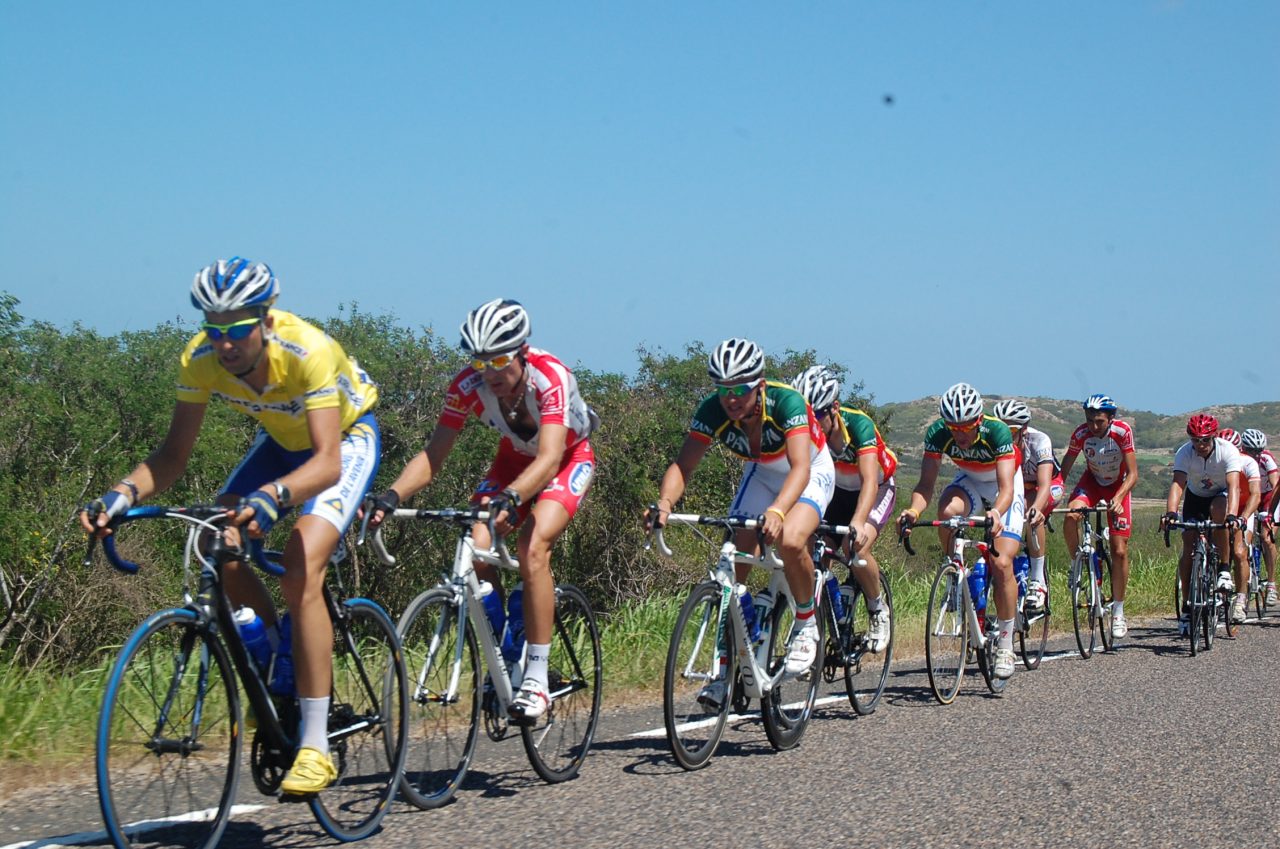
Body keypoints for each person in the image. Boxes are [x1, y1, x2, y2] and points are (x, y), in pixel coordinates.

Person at [80, 258, 381, 795]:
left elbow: (328, 463)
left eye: (237, 328)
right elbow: (171, 457)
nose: (224, 342)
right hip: (282, 445)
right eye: (213, 328)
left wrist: (273, 497)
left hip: (344, 441)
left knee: (300, 563)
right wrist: (120, 495)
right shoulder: (198, 360)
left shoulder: (306, 350)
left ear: (265, 320)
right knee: (215, 534)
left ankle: (314, 745)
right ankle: (275, 652)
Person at [365, 299, 598, 721]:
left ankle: (537, 679)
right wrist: (391, 496)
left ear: (522, 351)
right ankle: (503, 653)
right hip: (512, 460)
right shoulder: (467, 386)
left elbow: (548, 458)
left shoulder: (550, 377)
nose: (490, 373)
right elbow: (434, 455)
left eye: (501, 360)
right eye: (480, 362)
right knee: (477, 542)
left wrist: (511, 497)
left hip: (566, 458)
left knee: (533, 547)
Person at [648, 339, 834, 710]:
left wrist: (779, 511)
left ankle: (805, 622)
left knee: (792, 540)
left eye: (740, 389)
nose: (731, 398)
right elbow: (683, 466)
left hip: (809, 470)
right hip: (762, 473)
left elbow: (799, 468)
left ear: (759, 385)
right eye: (723, 389)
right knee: (732, 566)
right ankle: (725, 670)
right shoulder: (712, 411)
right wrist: (664, 504)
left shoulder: (786, 403)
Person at [896, 383, 1024, 679]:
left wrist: (996, 512)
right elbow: (925, 485)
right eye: (953, 428)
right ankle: (954, 570)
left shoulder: (998, 432)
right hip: (969, 480)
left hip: (1004, 487)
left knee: (1001, 562)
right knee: (948, 511)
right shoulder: (938, 434)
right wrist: (914, 510)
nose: (959, 435)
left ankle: (1005, 643)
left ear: (978, 421)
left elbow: (1006, 489)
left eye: (966, 428)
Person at [792, 365, 894, 652]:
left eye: (818, 414)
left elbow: (870, 480)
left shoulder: (858, 424)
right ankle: (832, 613)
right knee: (813, 550)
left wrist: (859, 522)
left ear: (834, 408)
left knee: (854, 549)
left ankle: (877, 608)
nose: (812, 421)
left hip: (873, 490)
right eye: (806, 414)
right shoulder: (803, 430)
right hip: (835, 491)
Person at [1058, 394, 1139, 640]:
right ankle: (1078, 563)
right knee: (1071, 516)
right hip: (1092, 483)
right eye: (1090, 420)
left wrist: (1119, 497)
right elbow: (1065, 469)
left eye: (1099, 421)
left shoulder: (1122, 432)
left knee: (1119, 550)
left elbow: (1134, 473)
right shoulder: (1081, 434)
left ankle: (1118, 611)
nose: (1094, 426)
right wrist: (1054, 492)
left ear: (1111, 419)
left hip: (1118, 486)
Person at [1160, 414, 1247, 634]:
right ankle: (1188, 605)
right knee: (1188, 543)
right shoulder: (1184, 453)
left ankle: (1224, 569)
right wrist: (1170, 512)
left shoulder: (1228, 451)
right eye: (1195, 440)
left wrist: (1232, 515)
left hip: (1221, 494)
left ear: (1214, 437)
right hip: (1195, 496)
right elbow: (1178, 485)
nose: (1200, 445)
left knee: (1219, 513)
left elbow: (1234, 486)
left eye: (1205, 440)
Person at [991, 399, 1065, 615]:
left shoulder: (1039, 440)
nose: (1005, 433)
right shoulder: (996, 442)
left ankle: (1038, 580)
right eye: (1001, 427)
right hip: (1020, 487)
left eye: (1011, 429)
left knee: (1032, 513)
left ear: (1023, 429)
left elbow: (1044, 485)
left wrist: (1036, 508)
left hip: (1049, 484)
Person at [1219, 428, 1262, 621]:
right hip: (1222, 508)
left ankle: (1241, 600)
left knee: (1239, 552)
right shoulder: (1216, 463)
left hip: (1244, 509)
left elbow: (1255, 495)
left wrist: (1244, 517)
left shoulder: (1248, 463)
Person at [1240, 428, 1278, 604]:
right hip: (1249, 497)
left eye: (1258, 451)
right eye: (1251, 451)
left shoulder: (1266, 458)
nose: (1255, 455)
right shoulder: (1239, 458)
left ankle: (1271, 584)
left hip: (1269, 498)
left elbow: (1275, 484)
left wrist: (1269, 514)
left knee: (1266, 538)